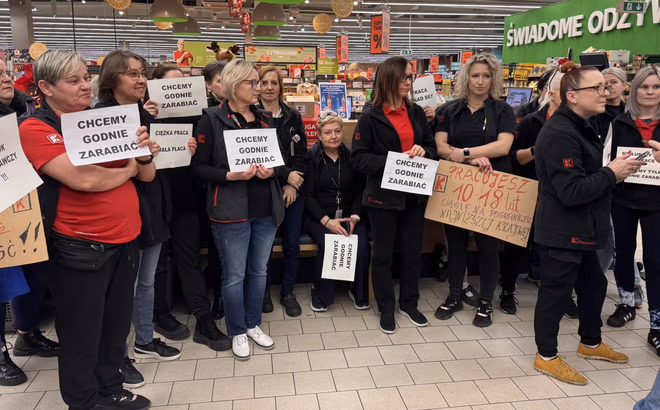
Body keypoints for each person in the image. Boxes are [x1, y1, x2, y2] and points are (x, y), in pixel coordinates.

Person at [19, 49, 156, 410]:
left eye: (85, 77)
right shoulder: (36, 128)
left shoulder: (100, 121)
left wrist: (141, 155)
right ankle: (83, 401)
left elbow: (148, 174)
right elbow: (84, 180)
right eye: (74, 80)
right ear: (46, 87)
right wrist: (129, 167)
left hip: (126, 239)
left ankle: (110, 389)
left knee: (114, 327)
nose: (85, 85)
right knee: (81, 332)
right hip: (80, 247)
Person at [531, 62, 645, 385]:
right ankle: (546, 356)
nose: (604, 92)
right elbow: (571, 191)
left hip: (585, 229)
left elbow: (591, 175)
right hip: (563, 231)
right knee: (555, 294)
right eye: (596, 88)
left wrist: (616, 171)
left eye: (605, 86)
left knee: (594, 286)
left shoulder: (586, 125)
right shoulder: (560, 134)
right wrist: (612, 173)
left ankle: (590, 342)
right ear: (572, 96)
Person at [95, 52, 191, 389]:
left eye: (142, 73)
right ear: (112, 79)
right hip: (124, 211)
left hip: (153, 205)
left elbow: (156, 161)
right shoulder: (101, 118)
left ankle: (145, 339)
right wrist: (142, 160)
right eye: (132, 74)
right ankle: (117, 356)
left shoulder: (143, 112)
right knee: (125, 288)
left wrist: (182, 149)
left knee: (147, 281)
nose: (140, 80)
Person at [192, 59, 282, 360]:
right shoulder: (211, 119)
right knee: (234, 275)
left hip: (265, 208)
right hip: (230, 211)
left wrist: (272, 170)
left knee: (259, 271)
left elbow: (277, 159)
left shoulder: (265, 118)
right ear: (233, 84)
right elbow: (199, 168)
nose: (259, 88)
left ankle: (253, 323)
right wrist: (231, 175)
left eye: (259, 82)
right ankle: (237, 329)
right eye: (252, 83)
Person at [148, 64, 232, 353]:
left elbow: (207, 157)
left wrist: (198, 148)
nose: (177, 89)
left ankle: (204, 320)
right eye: (170, 85)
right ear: (156, 86)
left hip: (185, 195)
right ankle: (160, 314)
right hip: (154, 197)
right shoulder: (143, 114)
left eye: (182, 83)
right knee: (158, 261)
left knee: (190, 258)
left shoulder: (200, 114)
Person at [351, 56, 436, 334]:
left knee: (412, 253)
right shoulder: (370, 116)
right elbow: (359, 158)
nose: (409, 82)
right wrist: (394, 161)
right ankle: (386, 307)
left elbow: (431, 147)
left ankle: (409, 303)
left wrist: (423, 151)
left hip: (414, 195)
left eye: (411, 77)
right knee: (384, 256)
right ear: (389, 79)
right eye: (405, 77)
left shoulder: (416, 113)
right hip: (382, 198)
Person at [434, 53, 516, 328]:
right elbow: (441, 146)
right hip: (457, 186)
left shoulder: (503, 111)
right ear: (466, 78)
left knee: (488, 246)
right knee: (455, 244)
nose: (480, 81)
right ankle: (455, 295)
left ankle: (485, 301)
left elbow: (503, 146)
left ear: (494, 79)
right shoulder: (450, 111)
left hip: (491, 187)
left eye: (486, 76)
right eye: (475, 75)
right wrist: (469, 159)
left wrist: (467, 152)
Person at [607, 66, 660, 342]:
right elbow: (607, 161)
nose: (650, 92)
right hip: (623, 200)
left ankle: (657, 323)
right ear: (635, 90)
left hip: (657, 204)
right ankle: (626, 302)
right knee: (623, 254)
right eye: (644, 86)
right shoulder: (619, 123)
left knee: (655, 260)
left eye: (656, 87)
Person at [306, 112, 370, 311]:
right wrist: (327, 221)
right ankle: (321, 294)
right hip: (319, 216)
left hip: (350, 214)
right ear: (319, 135)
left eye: (337, 131)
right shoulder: (311, 157)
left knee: (361, 244)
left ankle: (358, 291)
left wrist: (355, 216)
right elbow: (308, 196)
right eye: (327, 132)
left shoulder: (352, 156)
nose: (333, 136)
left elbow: (361, 190)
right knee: (329, 243)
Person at [258, 65, 307, 317]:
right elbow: (258, 156)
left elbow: (301, 153)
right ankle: (263, 291)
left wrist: (292, 183)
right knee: (263, 245)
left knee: (292, 243)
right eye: (264, 83)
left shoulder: (292, 116)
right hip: (263, 189)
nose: (269, 87)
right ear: (258, 86)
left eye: (274, 83)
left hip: (292, 190)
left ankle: (288, 292)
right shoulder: (251, 116)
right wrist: (285, 175)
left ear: (280, 87)